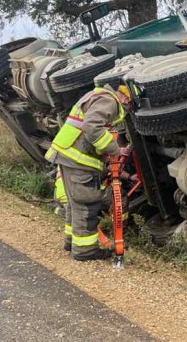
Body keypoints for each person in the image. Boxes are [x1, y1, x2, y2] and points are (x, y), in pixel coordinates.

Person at [44, 84, 133, 261]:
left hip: (69, 156)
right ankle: (85, 250)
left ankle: (72, 242)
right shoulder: (109, 101)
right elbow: (92, 128)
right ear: (124, 98)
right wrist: (114, 149)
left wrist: (114, 150)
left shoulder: (98, 95)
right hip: (77, 160)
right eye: (129, 105)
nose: (128, 110)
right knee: (87, 204)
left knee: (75, 204)